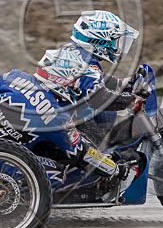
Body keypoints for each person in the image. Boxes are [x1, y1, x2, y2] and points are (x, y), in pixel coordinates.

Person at [0, 51, 130, 187]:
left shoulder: (16, 76)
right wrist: (115, 169)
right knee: (58, 172)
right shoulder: (56, 116)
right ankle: (17, 203)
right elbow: (82, 153)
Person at [51, 10, 141, 145]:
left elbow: (87, 80)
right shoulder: (87, 62)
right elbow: (99, 98)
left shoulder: (72, 50)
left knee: (107, 116)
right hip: (65, 119)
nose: (116, 47)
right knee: (106, 145)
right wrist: (133, 99)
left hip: (59, 110)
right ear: (99, 39)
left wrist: (122, 83)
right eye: (114, 41)